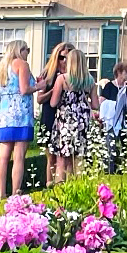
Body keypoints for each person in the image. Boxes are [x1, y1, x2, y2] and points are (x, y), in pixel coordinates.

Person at [0, 40, 42, 198]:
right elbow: (24, 89)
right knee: (19, 155)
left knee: (3, 154)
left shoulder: (3, 66)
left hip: (5, 113)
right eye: (27, 49)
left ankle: (1, 193)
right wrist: (39, 87)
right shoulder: (22, 64)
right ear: (20, 50)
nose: (28, 52)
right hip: (21, 113)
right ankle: (15, 192)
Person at [48, 48, 97, 183]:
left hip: (65, 120)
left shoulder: (62, 78)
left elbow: (53, 103)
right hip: (82, 120)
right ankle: (79, 186)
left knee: (62, 158)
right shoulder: (90, 80)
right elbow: (95, 105)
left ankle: (60, 188)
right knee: (79, 157)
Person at [35, 42, 72, 186]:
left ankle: (65, 183)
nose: (64, 62)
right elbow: (39, 98)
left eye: (67, 59)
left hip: (66, 119)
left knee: (66, 155)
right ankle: (49, 183)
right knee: (51, 156)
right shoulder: (48, 75)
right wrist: (54, 90)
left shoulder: (72, 76)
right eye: (62, 58)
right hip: (50, 116)